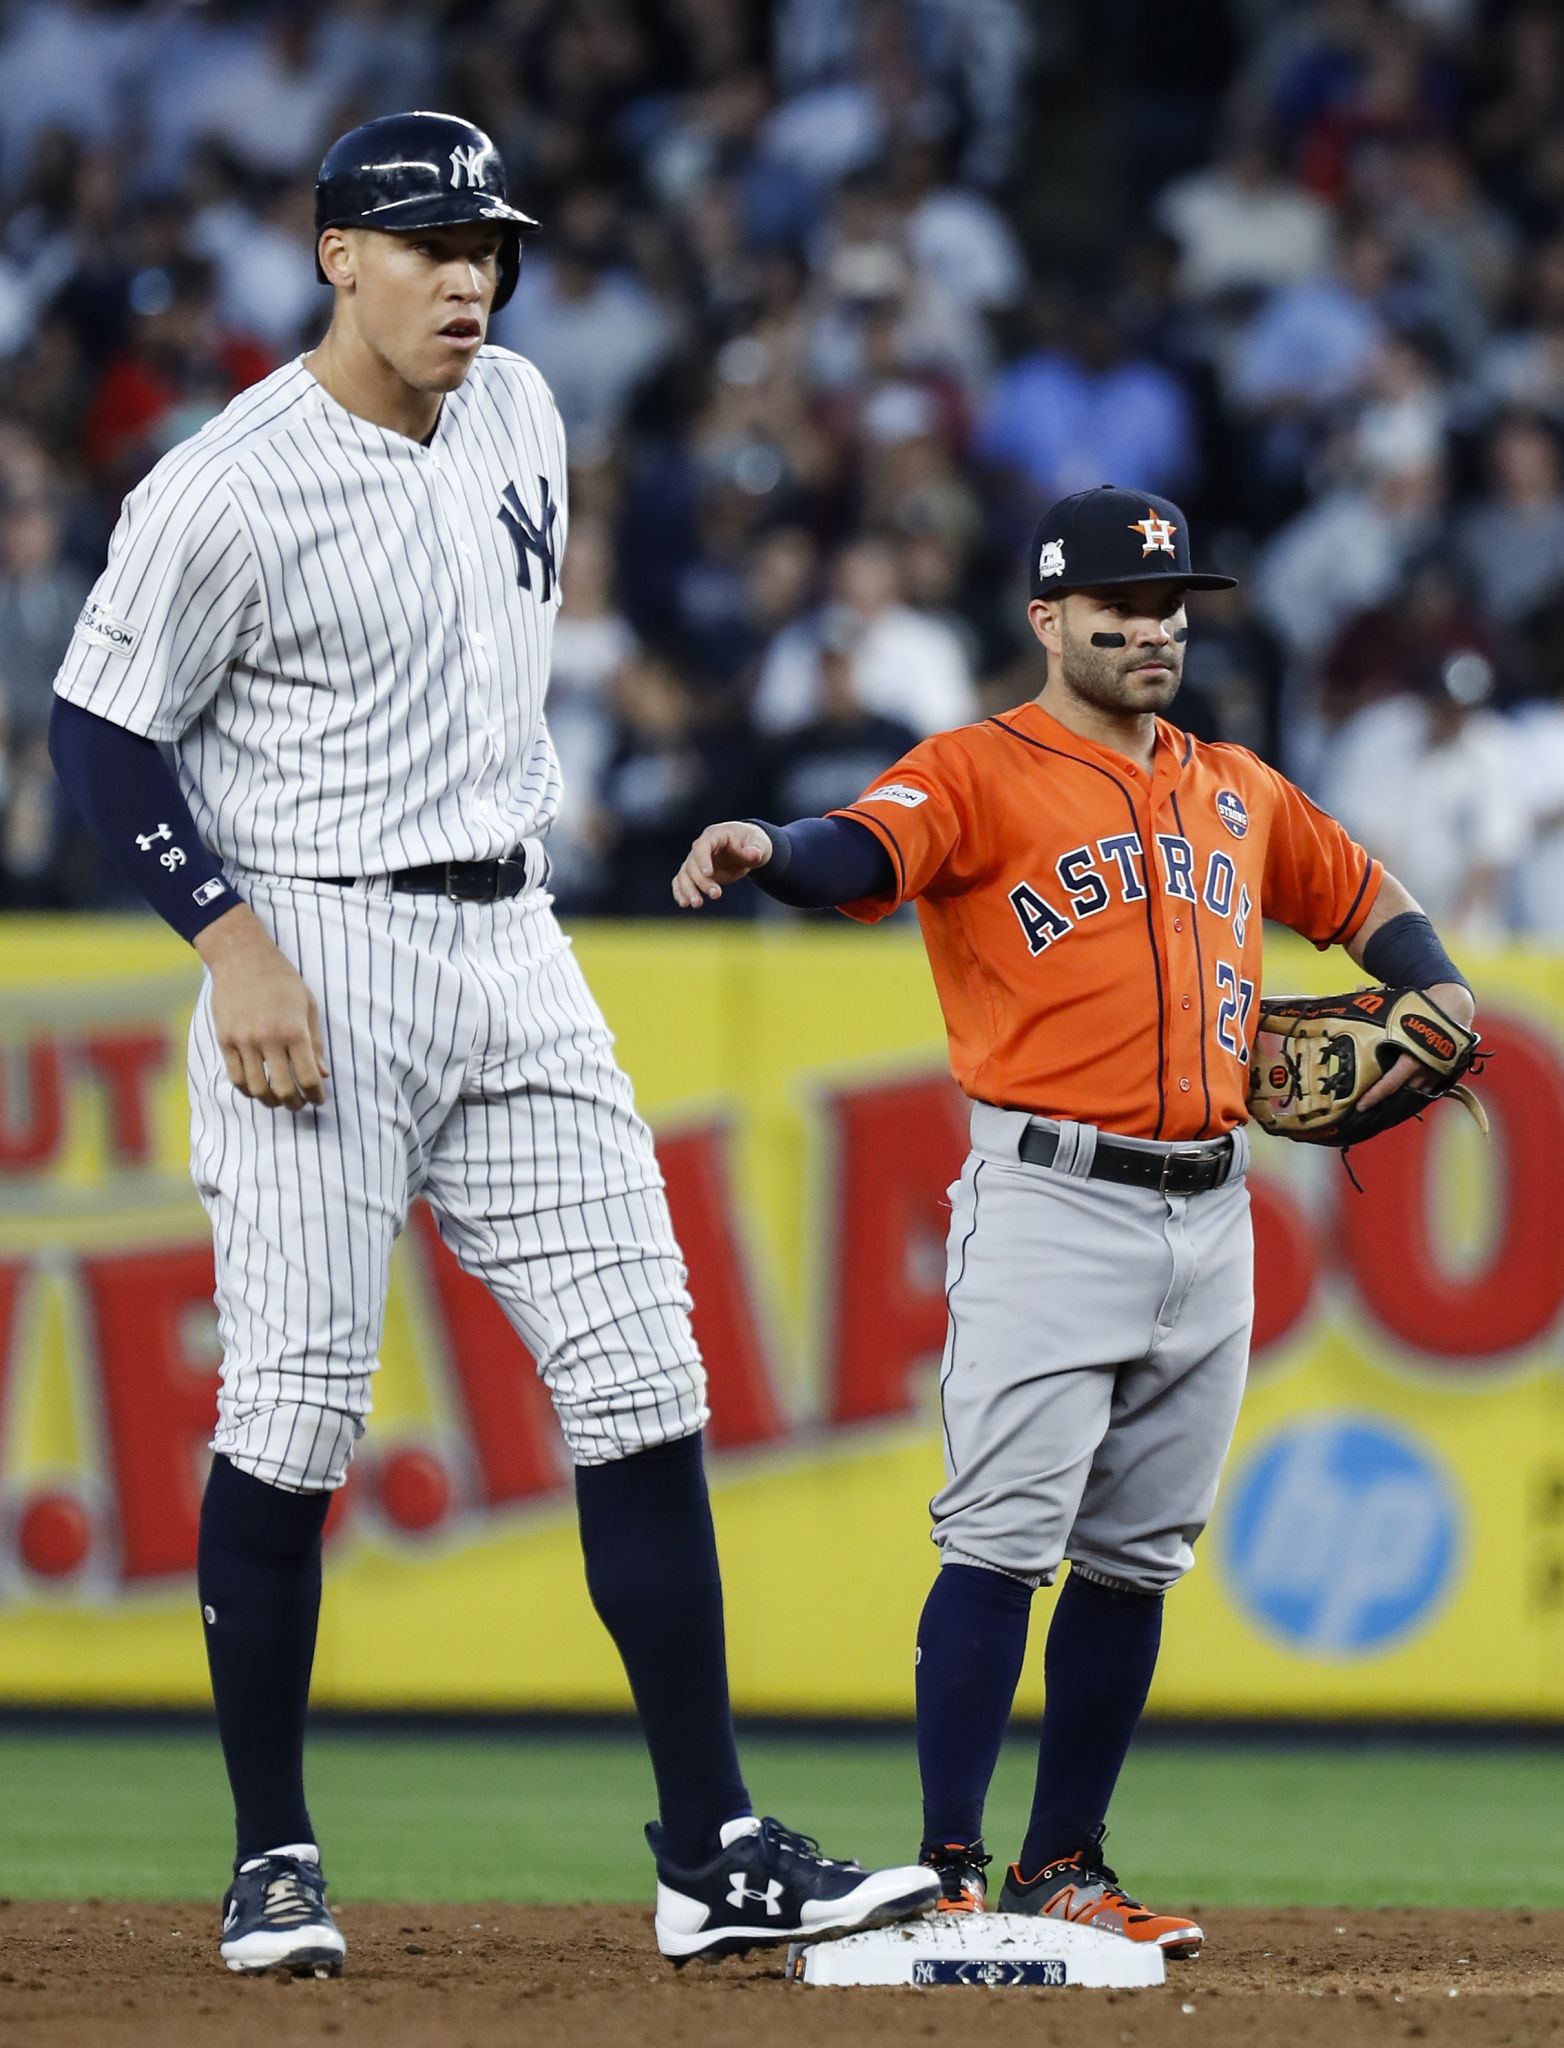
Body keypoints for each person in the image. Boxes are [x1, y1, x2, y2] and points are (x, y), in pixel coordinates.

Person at [48, 111, 937, 1979]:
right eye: (428, 242)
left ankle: (709, 1848)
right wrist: (230, 942)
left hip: (511, 931)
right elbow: (99, 735)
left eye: (490, 246)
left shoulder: (522, 408)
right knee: (292, 1408)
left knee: (643, 1374)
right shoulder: (230, 484)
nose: (470, 276)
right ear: (331, 257)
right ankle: (273, 1851)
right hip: (318, 939)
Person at [672, 484, 1476, 1954]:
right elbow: (864, 845)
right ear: (1046, 618)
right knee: (999, 1541)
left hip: (1214, 1210)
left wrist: (1440, 987)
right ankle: (948, 1872)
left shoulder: (1236, 784)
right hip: (1050, 1196)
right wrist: (770, 851)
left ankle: (1065, 1868)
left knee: (1135, 1559)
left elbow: (1360, 893)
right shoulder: (979, 769)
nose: (1152, 627)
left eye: (1171, 604)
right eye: (1121, 603)